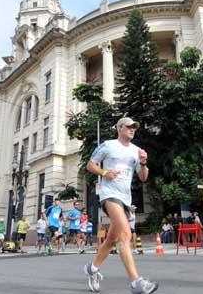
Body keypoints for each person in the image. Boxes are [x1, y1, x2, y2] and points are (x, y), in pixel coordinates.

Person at [84, 117, 158, 293]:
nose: (133, 129)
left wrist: (143, 162)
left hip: (126, 198)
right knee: (125, 235)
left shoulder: (137, 151)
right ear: (120, 128)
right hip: (109, 195)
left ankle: (92, 268)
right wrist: (104, 172)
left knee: (111, 240)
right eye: (129, 127)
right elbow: (90, 165)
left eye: (135, 127)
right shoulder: (108, 145)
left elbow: (143, 177)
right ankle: (136, 283)